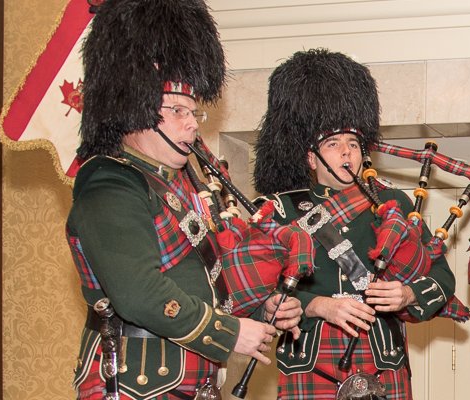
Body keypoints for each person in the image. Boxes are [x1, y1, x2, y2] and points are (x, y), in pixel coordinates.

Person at [67, 0, 299, 398]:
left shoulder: (183, 184)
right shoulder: (110, 182)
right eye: (177, 109)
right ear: (135, 110)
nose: (192, 122)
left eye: (194, 112)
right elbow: (138, 293)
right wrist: (228, 334)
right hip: (137, 382)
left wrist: (260, 309)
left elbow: (205, 283)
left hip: (192, 379)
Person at [252, 49, 465, 400]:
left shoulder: (393, 202)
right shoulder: (281, 210)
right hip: (311, 360)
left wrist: (407, 294)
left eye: (353, 143)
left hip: (382, 358)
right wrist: (317, 305)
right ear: (310, 156)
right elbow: (256, 296)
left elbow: (442, 277)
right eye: (333, 144)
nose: (347, 152)